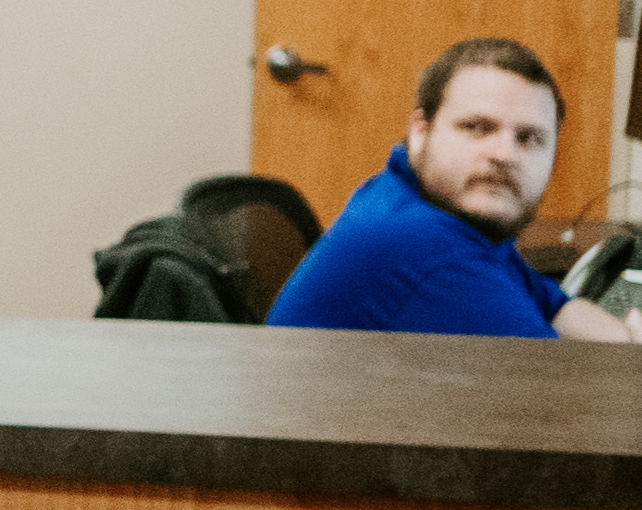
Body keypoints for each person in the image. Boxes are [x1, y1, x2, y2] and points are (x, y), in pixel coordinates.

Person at [264, 37, 634, 341]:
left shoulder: (432, 208)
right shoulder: (422, 247)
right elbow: (566, 401)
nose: (505, 154)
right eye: (477, 127)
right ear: (420, 132)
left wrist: (629, 341)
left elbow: (553, 306)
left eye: (529, 138)